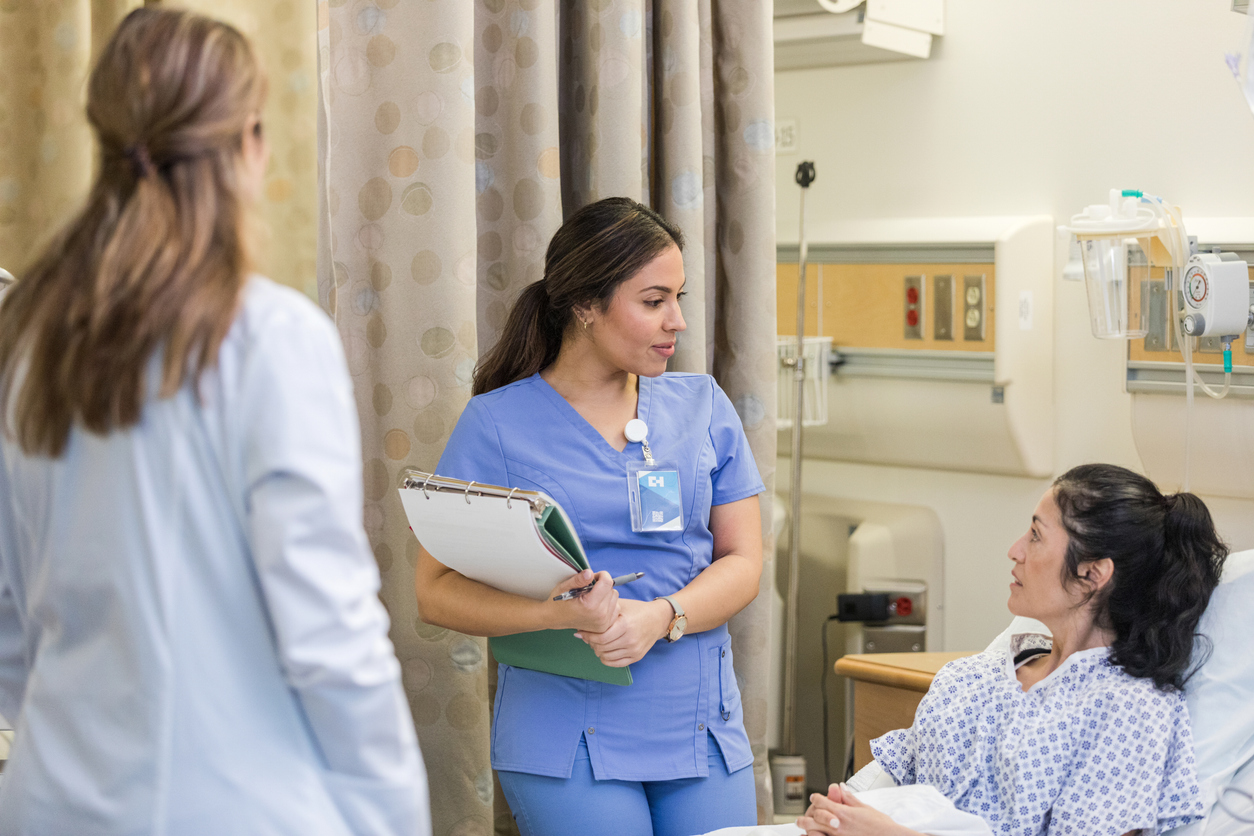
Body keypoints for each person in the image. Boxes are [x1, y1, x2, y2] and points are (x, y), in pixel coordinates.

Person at [0, 9, 428, 836]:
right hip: (230, 805)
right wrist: (394, 813)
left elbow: (10, 621)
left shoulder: (25, 343)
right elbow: (327, 633)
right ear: (250, 142)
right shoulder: (271, 339)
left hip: (53, 799)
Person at [413, 197, 765, 836]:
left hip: (698, 725)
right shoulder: (497, 425)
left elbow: (743, 562)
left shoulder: (702, 406)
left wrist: (660, 618)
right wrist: (556, 616)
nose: (677, 321)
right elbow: (434, 592)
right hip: (562, 731)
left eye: (678, 298)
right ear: (584, 305)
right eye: (654, 301)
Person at [798, 463, 1227, 836]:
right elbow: (886, 781)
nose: (1015, 551)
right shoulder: (978, 676)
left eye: (1036, 536)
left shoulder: (1129, 711)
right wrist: (835, 814)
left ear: (1092, 574)